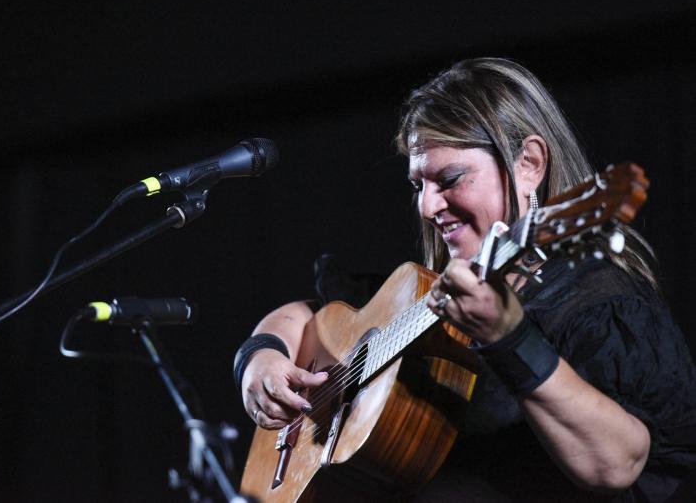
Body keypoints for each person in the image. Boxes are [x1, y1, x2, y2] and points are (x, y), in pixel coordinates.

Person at [233, 58, 696, 501]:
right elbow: (301, 316)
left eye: (450, 178)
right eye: (418, 185)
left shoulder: (599, 305)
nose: (427, 207)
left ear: (530, 164)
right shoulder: (420, 295)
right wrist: (260, 361)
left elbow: (618, 465)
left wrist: (508, 337)